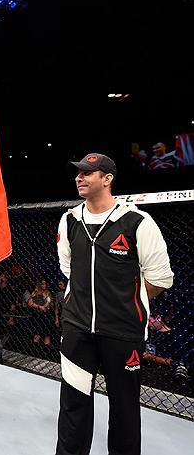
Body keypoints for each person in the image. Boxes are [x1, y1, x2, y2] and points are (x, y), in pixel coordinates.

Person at [56, 153, 174, 455]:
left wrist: (125, 301)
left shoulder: (137, 222)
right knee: (73, 407)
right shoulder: (69, 219)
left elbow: (161, 278)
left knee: (124, 412)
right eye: (78, 173)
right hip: (77, 329)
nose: (79, 178)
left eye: (88, 173)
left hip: (122, 333)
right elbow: (68, 268)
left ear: (107, 179)